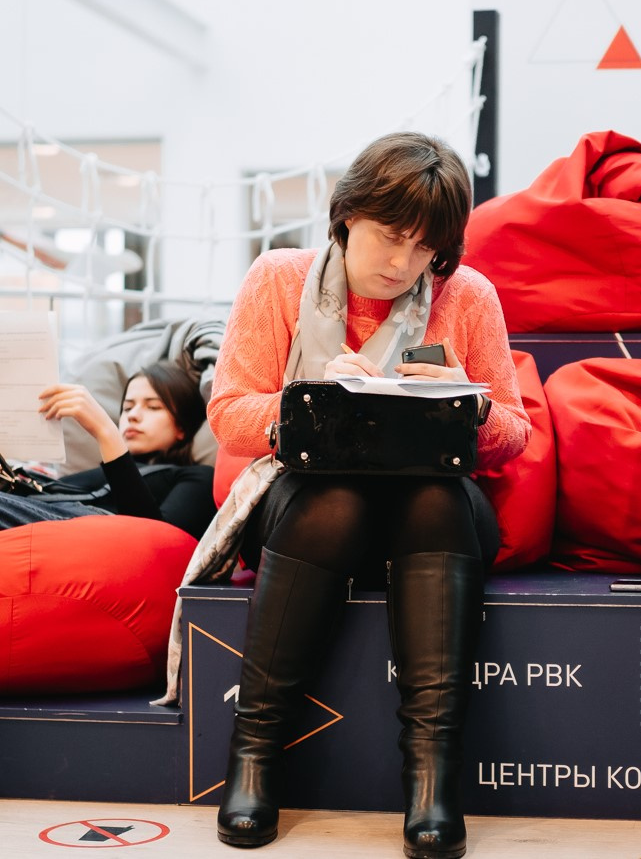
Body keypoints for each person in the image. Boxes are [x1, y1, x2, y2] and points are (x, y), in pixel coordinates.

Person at [206, 131, 529, 857]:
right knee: (338, 500)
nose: (402, 264)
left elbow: (515, 432)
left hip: (433, 509)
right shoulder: (279, 277)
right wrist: (312, 403)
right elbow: (227, 413)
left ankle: (432, 782)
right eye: (390, 236)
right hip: (310, 501)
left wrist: (468, 403)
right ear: (347, 214)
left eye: (425, 249)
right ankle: (254, 757)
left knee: (432, 498)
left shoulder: (467, 294)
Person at [1, 361, 214, 538]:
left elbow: (155, 541)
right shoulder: (95, 474)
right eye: (127, 408)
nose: (132, 415)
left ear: (182, 426)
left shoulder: (198, 476)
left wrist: (105, 432)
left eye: (153, 407)